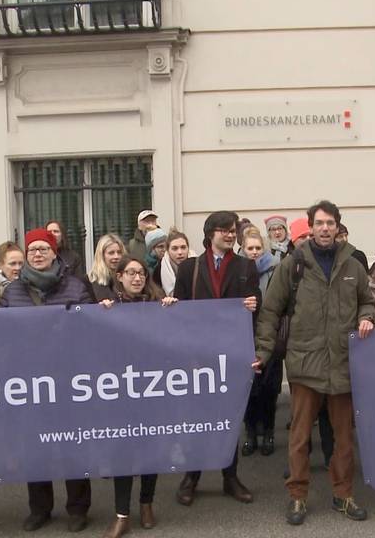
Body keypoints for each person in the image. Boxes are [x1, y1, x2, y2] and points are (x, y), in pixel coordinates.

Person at [255, 200, 375, 526]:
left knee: (343, 439)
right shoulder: (293, 265)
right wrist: (263, 353)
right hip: (305, 364)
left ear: (337, 226)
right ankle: (297, 496)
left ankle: (344, 493)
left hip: (342, 362)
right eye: (319, 223)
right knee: (299, 437)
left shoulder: (353, 265)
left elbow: (368, 301)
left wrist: (366, 317)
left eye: (330, 223)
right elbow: (269, 312)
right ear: (311, 227)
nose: (325, 228)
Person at [0, 228, 93, 533]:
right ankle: (40, 508)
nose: (37, 254)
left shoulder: (76, 286)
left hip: (69, 382)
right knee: (34, 446)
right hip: (29, 383)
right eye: (32, 250)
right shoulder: (13, 291)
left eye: (43, 249)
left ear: (55, 252)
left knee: (72, 446)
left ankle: (78, 508)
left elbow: (92, 328)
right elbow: (2, 334)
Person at [173, 211, 260, 507]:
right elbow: (180, 315)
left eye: (232, 229)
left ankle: (230, 477)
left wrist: (253, 306)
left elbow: (255, 311)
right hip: (198, 358)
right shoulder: (189, 268)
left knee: (229, 419)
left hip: (231, 356)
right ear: (210, 233)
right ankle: (191, 476)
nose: (230, 234)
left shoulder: (247, 266)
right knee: (196, 420)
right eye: (223, 230)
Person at [98, 256, 177, 538]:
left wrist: (170, 309)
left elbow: (173, 340)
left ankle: (146, 504)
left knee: (150, 450)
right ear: (119, 277)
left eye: (141, 273)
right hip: (120, 392)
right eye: (130, 273)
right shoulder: (109, 307)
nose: (136, 278)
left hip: (152, 389)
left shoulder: (158, 304)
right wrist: (100, 314)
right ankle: (122, 514)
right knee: (123, 453)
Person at [240, 229, 281, 456]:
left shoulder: (275, 269)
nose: (254, 252)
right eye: (250, 248)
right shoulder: (237, 270)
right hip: (244, 335)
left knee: (269, 390)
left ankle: (268, 433)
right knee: (248, 391)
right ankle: (250, 434)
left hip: (269, 334)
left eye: (258, 248)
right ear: (243, 249)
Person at [88, 234, 126, 302]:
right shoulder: (91, 282)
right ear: (102, 256)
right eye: (111, 253)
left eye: (119, 252)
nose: (116, 257)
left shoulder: (128, 278)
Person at [0, 241, 24, 307]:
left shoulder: (31, 289)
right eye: (13, 263)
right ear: (0, 265)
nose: (18, 268)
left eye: (21, 263)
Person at [159, 230, 191, 296]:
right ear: (167, 251)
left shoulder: (198, 266)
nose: (180, 252)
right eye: (174, 248)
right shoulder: (158, 271)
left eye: (183, 247)